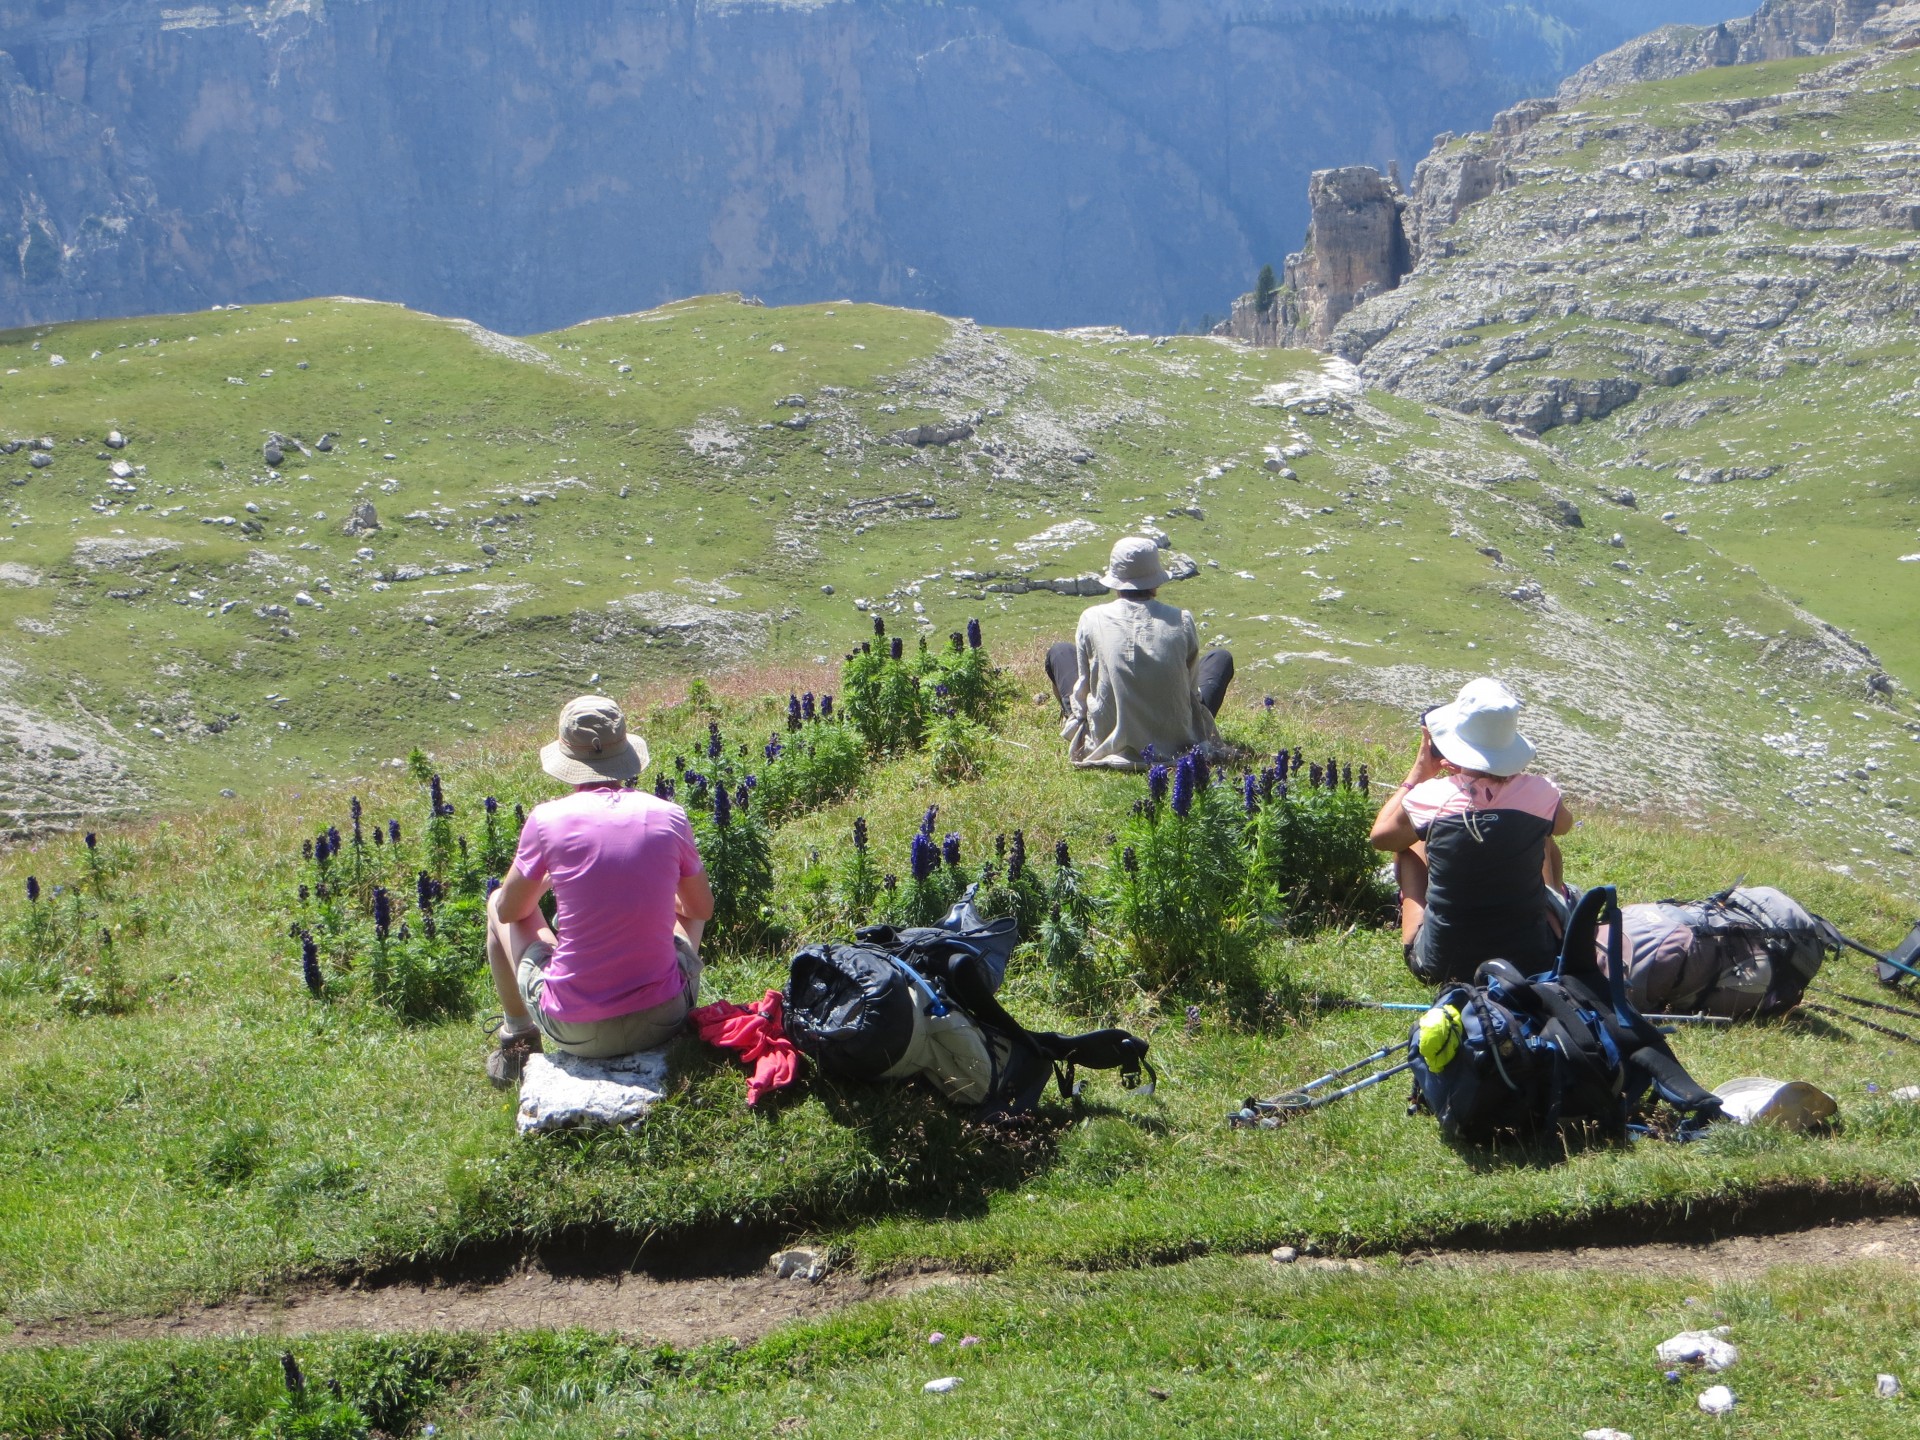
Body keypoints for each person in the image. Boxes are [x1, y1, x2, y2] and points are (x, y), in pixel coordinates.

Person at [484, 694, 714, 1086]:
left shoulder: (546, 820)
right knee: (683, 907)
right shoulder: (669, 816)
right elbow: (701, 909)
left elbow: (511, 911)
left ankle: (517, 1041)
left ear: (566, 758)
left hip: (577, 1032)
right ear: (624, 753)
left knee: (495, 903)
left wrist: (551, 878)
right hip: (665, 1017)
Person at [1368, 677, 1573, 986]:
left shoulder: (1429, 798)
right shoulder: (1541, 794)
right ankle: (1558, 907)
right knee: (1544, 835)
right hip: (1531, 961)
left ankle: (1416, 930)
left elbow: (1380, 837)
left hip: (1442, 965)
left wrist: (1418, 774)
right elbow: (1564, 826)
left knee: (1407, 846)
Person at [1048, 535, 1234, 769]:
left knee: (1059, 652)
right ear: (1155, 581)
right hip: (1177, 741)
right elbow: (1190, 689)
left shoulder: (1091, 618)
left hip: (1110, 736)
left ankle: (1072, 723)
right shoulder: (1181, 619)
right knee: (1220, 658)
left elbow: (1084, 686)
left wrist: (1080, 717)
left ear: (1116, 581)